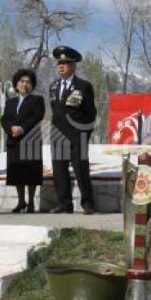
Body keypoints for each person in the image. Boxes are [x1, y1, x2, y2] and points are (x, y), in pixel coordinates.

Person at [48, 46, 96, 214]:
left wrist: (84, 135)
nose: (61, 66)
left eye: (65, 63)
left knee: (81, 171)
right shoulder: (53, 86)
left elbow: (91, 114)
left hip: (77, 137)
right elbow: (56, 112)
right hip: (58, 136)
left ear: (73, 65)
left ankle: (88, 204)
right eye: (59, 63)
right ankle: (64, 204)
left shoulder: (83, 86)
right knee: (59, 172)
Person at [0, 68, 45, 213]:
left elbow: (37, 116)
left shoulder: (37, 100)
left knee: (31, 172)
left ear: (32, 85)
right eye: (21, 81)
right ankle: (21, 202)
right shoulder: (10, 102)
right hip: (14, 141)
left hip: (30, 140)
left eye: (28, 82)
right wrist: (11, 128)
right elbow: (4, 119)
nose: (24, 84)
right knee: (17, 172)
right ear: (16, 84)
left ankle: (31, 202)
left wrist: (22, 128)